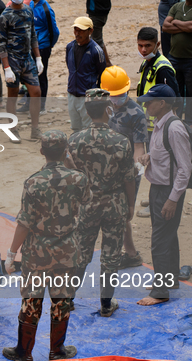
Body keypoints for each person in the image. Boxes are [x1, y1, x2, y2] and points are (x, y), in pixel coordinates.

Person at [2, 130, 90, 361]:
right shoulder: (78, 179)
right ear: (65, 151)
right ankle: (57, 351)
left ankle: (24, 352)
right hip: (67, 251)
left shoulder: (33, 182)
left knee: (32, 300)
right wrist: (70, 164)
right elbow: (86, 200)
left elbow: (24, 223)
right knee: (61, 300)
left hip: (37, 253)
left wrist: (11, 253)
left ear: (41, 151)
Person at [67, 88, 136, 317]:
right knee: (111, 255)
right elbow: (129, 178)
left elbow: (72, 174)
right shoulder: (121, 142)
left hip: (87, 204)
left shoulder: (75, 140)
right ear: (108, 109)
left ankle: (67, 299)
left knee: (81, 252)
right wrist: (131, 205)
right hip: (115, 203)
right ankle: (106, 304)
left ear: (86, 110)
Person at [136, 84, 192, 306]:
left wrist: (172, 199)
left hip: (168, 191)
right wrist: (150, 157)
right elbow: (166, 154)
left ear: (163, 104)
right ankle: (170, 279)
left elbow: (184, 169)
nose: (147, 104)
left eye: (150, 101)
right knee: (168, 235)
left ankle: (160, 291)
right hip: (158, 187)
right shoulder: (160, 125)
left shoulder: (174, 128)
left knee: (159, 240)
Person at [100, 66, 148, 269]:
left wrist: (138, 169)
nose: (116, 99)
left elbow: (139, 147)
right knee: (113, 213)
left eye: (119, 95)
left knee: (122, 213)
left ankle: (127, 254)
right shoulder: (104, 106)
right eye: (112, 95)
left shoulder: (136, 114)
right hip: (106, 169)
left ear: (127, 91)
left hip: (126, 171)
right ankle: (129, 253)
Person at [136, 27, 179, 218]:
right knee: (153, 163)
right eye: (140, 45)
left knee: (162, 164)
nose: (143, 50)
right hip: (151, 123)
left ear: (157, 44)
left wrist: (167, 126)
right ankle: (154, 195)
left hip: (160, 126)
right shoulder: (148, 62)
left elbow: (173, 98)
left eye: (148, 46)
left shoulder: (162, 68)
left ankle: (160, 201)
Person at [0, 0, 44, 143]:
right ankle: (13, 130)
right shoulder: (5, 15)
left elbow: (33, 35)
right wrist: (6, 68)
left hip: (27, 58)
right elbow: (1, 43)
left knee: (36, 92)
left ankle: (35, 129)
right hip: (12, 60)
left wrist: (38, 57)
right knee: (13, 95)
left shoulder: (28, 11)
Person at [65, 17, 106, 133]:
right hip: (72, 94)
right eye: (76, 30)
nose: (77, 33)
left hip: (87, 97)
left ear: (90, 31)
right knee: (75, 129)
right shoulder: (70, 47)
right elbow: (70, 67)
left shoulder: (96, 51)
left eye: (81, 31)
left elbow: (102, 74)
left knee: (88, 130)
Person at [25, 0, 59, 114]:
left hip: (42, 47)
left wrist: (48, 45)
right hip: (31, 46)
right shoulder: (30, 5)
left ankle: (41, 106)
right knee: (29, 74)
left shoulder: (46, 10)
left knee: (41, 76)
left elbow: (54, 31)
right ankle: (29, 102)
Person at [161, 1, 192, 124]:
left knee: (190, 93)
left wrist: (175, 22)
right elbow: (165, 27)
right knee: (175, 91)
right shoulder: (177, 7)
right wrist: (185, 27)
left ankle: (189, 122)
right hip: (174, 58)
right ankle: (176, 120)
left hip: (190, 59)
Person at [86, 0, 112, 67]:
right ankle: (105, 63)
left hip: (96, 12)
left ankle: (105, 64)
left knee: (97, 42)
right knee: (97, 39)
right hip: (103, 10)